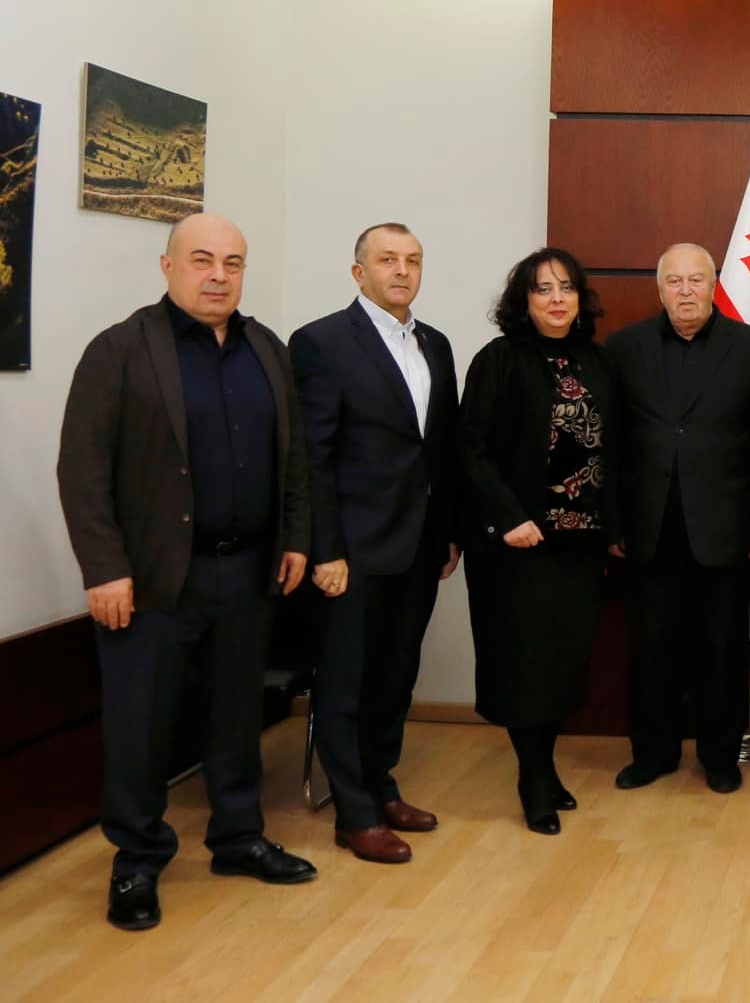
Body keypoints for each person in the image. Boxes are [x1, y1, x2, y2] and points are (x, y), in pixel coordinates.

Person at [56, 213, 316, 932]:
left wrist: (295, 536)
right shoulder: (120, 350)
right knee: (140, 725)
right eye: (202, 260)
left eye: (233, 263)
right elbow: (82, 469)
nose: (218, 276)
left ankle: (237, 838)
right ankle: (138, 860)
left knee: (236, 717)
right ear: (167, 266)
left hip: (248, 571)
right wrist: (104, 568)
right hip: (151, 579)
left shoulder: (266, 349)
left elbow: (294, 456)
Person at [290, 223, 461, 864]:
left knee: (395, 676)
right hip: (352, 552)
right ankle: (353, 812)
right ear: (359, 272)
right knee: (345, 682)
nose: (402, 270)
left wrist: (447, 533)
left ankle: (381, 785)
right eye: (387, 260)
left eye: (412, 260)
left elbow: (438, 448)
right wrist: (325, 549)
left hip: (419, 545)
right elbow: (312, 457)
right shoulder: (322, 342)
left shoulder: (435, 344)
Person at [460, 247, 621, 835]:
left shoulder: (597, 362)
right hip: (517, 544)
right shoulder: (499, 359)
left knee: (561, 662)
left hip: (580, 543)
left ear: (580, 299)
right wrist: (509, 517)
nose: (556, 299)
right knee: (523, 663)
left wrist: (614, 529)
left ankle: (546, 768)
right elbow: (470, 449)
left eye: (566, 288)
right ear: (523, 301)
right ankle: (532, 778)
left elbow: (614, 451)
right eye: (542, 289)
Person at [606, 243, 750, 794]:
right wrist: (613, 522)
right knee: (650, 649)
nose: (685, 291)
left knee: (721, 649)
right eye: (673, 281)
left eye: (695, 280)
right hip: (648, 527)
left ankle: (720, 757)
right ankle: (652, 754)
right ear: (660, 290)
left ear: (713, 284)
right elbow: (611, 442)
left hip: (726, 527)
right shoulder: (624, 348)